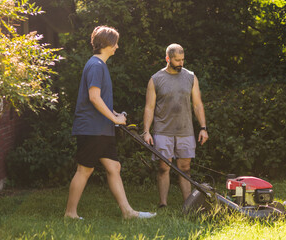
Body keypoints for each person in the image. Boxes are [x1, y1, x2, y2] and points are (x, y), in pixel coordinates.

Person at [64, 26, 156, 219]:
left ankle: (128, 212)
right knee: (84, 169)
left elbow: (102, 100)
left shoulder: (99, 65)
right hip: (92, 129)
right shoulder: (96, 66)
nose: (117, 47)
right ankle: (70, 213)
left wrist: (115, 115)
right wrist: (114, 118)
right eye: (115, 43)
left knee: (114, 167)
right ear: (107, 44)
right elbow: (94, 98)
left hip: (102, 129)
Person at [143, 43, 209, 208]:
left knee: (185, 168)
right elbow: (149, 107)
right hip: (162, 130)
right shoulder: (156, 79)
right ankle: (163, 203)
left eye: (182, 60)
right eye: (177, 60)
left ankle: (188, 203)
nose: (181, 63)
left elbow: (197, 104)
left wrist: (203, 128)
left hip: (185, 130)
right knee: (163, 167)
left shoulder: (190, 77)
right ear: (168, 59)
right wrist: (146, 131)